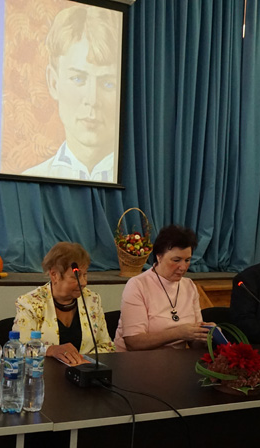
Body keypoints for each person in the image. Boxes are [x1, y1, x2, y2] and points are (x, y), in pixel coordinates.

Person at [22, 5, 121, 183]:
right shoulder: (27, 182)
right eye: (78, 79)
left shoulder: (147, 183)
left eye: (108, 83)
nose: (92, 100)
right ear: (53, 83)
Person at [14, 242, 114, 364]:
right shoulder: (30, 303)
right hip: (43, 372)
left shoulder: (92, 300)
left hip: (84, 370)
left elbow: (106, 346)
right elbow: (19, 348)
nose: (83, 282)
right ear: (54, 275)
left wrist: (82, 361)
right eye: (76, 276)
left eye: (85, 274)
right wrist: (50, 350)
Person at [115, 225, 211, 351]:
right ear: (159, 256)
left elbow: (195, 344)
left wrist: (206, 335)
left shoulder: (189, 286)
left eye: (187, 260)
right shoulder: (138, 285)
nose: (183, 267)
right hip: (138, 359)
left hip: (177, 359)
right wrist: (178, 333)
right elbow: (133, 342)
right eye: (176, 260)